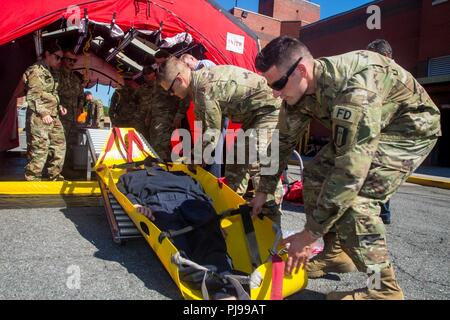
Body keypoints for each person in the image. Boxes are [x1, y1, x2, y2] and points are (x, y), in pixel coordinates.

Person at [251, 36, 441, 300]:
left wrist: (309, 235)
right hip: (371, 127)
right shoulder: (298, 90)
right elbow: (281, 142)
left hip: (409, 129)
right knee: (316, 175)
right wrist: (264, 189)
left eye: (279, 84)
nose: (275, 93)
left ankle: (384, 291)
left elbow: (349, 173)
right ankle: (336, 254)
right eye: (271, 86)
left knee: (357, 201)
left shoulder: (355, 89)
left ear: (302, 69)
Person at [158, 57, 284, 225]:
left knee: (258, 163)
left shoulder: (204, 89)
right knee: (235, 165)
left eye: (170, 90)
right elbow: (203, 132)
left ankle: (273, 224)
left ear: (179, 79)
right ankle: (232, 215)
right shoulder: (197, 90)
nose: (172, 95)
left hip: (270, 110)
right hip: (254, 116)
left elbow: (211, 135)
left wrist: (185, 161)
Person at [23, 42, 67, 181]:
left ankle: (54, 176)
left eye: (61, 58)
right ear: (47, 54)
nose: (59, 61)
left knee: (59, 144)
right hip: (40, 115)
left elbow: (51, 93)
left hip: (53, 114)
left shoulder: (51, 72)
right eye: (57, 57)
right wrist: (43, 113)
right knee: (39, 147)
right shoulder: (36, 70)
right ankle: (32, 178)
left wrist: (59, 106)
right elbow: (33, 96)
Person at [367, 39, 393, 224]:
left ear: (385, 56)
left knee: (380, 173)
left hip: (387, 134)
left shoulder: (392, 76)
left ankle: (382, 213)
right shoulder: (376, 75)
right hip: (375, 132)